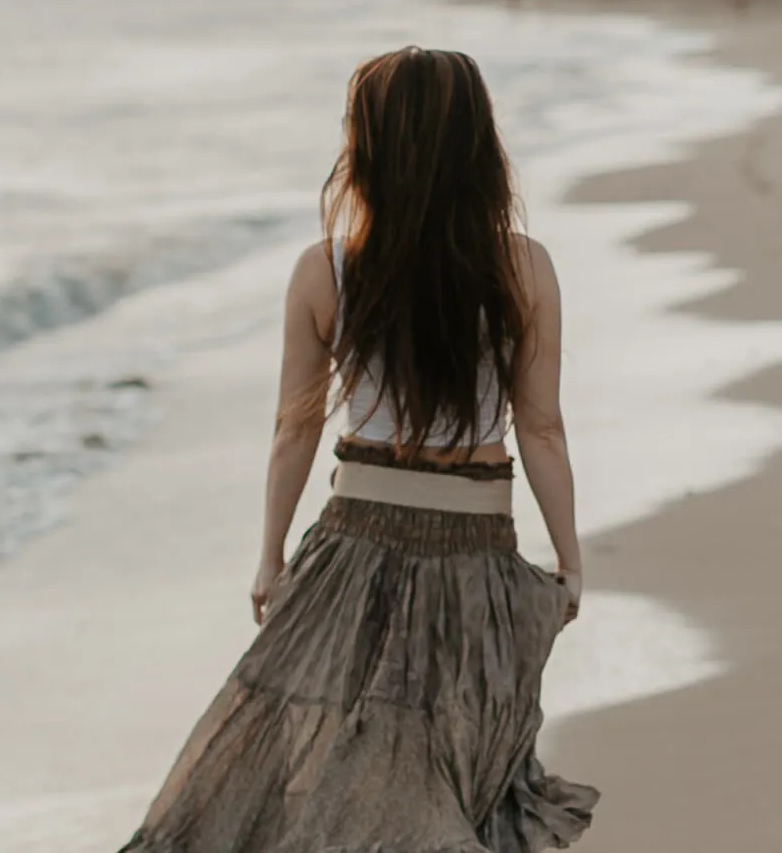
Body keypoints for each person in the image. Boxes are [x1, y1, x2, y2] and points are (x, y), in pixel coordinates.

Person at [118, 47, 598, 853]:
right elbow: (540, 427)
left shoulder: (325, 270)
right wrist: (570, 557)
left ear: (365, 143)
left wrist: (271, 556)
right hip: (476, 549)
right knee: (452, 773)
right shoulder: (523, 265)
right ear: (478, 144)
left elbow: (293, 428)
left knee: (319, 771)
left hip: (353, 546)